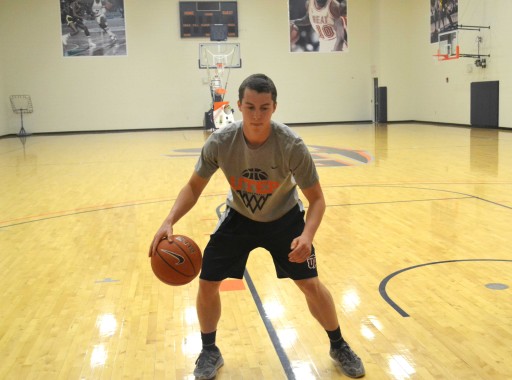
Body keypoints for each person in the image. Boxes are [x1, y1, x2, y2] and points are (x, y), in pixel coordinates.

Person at [149, 74, 365, 379]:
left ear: (274, 107)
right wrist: (169, 219)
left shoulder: (291, 145)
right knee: (208, 282)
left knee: (310, 285)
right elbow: (193, 187)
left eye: (264, 108)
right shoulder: (221, 142)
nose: (257, 115)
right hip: (238, 217)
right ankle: (210, 350)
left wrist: (307, 235)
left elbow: (317, 200)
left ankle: (338, 344)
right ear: (238, 105)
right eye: (250, 107)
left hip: (285, 219)